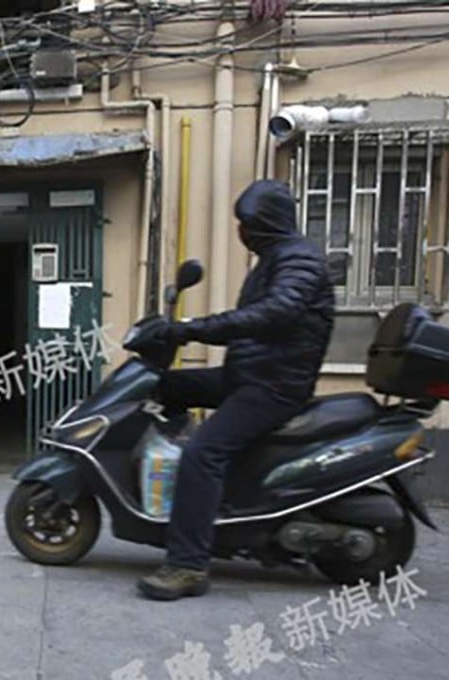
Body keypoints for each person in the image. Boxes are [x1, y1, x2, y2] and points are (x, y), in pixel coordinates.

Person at [137, 179, 335, 601]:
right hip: (248, 375)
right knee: (164, 386)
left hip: (274, 386)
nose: (242, 231)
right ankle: (188, 497)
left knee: (203, 453)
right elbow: (252, 324)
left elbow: (275, 313)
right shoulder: (273, 258)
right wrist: (178, 330)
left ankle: (188, 565)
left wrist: (194, 330)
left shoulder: (300, 259)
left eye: (247, 222)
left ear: (268, 222)